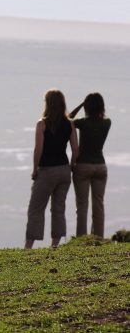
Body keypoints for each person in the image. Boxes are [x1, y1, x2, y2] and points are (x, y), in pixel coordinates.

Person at [25, 89, 78, 249]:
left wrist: (35, 169)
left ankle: (29, 246)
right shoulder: (69, 124)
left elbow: (38, 149)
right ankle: (55, 244)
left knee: (36, 208)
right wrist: (71, 166)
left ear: (47, 103)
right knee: (58, 208)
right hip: (64, 170)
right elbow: (75, 149)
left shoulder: (42, 123)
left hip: (46, 171)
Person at [69, 93, 111, 238]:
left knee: (82, 205)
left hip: (83, 166)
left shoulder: (82, 123)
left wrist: (81, 104)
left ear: (87, 107)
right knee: (98, 205)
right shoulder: (107, 123)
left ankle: (81, 239)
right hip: (100, 166)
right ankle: (98, 237)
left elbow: (68, 119)